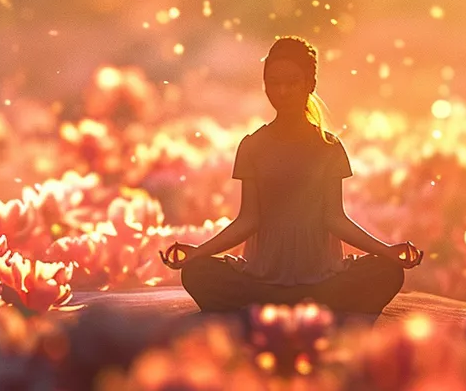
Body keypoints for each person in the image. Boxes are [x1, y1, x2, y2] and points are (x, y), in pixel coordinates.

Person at [159, 36, 423, 316]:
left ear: (310, 84)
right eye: (274, 83)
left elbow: (335, 218)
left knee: (389, 272)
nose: (282, 91)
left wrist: (387, 252)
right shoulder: (253, 146)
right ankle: (298, 301)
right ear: (265, 85)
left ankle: (288, 301)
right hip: (261, 278)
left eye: (292, 82)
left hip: (324, 277)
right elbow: (248, 219)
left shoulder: (329, 147)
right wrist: (198, 253)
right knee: (197, 273)